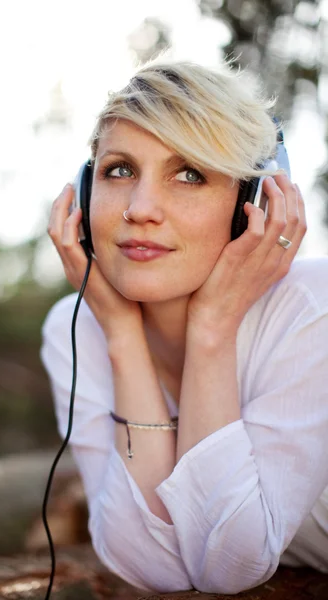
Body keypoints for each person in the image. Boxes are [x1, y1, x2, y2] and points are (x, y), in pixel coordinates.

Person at [40, 59, 328, 594]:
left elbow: (229, 570)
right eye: (120, 170)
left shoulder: (315, 312)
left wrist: (213, 328)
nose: (141, 208)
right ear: (85, 192)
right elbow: (151, 568)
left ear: (250, 205)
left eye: (190, 173)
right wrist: (122, 337)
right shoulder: (74, 329)